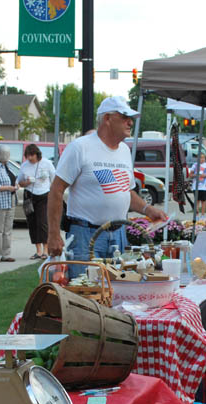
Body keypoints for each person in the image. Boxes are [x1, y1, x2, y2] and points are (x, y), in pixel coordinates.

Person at [47, 96, 167, 273]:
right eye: (124, 117)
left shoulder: (124, 151)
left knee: (116, 291)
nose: (130, 123)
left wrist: (148, 210)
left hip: (118, 235)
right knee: (85, 292)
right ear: (107, 119)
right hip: (85, 235)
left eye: (131, 119)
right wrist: (53, 234)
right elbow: (56, 190)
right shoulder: (80, 147)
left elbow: (125, 191)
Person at [17, 143, 55, 259]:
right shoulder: (24, 166)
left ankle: (46, 250)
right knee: (32, 222)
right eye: (27, 156)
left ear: (37, 154)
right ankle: (38, 250)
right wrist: (27, 182)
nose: (30, 158)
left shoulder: (47, 163)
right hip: (29, 195)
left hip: (44, 194)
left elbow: (54, 178)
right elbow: (20, 182)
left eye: (32, 155)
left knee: (42, 222)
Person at [190, 151, 206, 216]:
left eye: (203, 158)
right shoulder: (194, 165)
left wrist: (205, 175)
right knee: (197, 200)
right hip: (196, 186)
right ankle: (197, 215)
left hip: (204, 187)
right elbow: (190, 175)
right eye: (200, 158)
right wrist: (196, 175)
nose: (202, 159)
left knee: (203, 201)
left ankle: (203, 215)